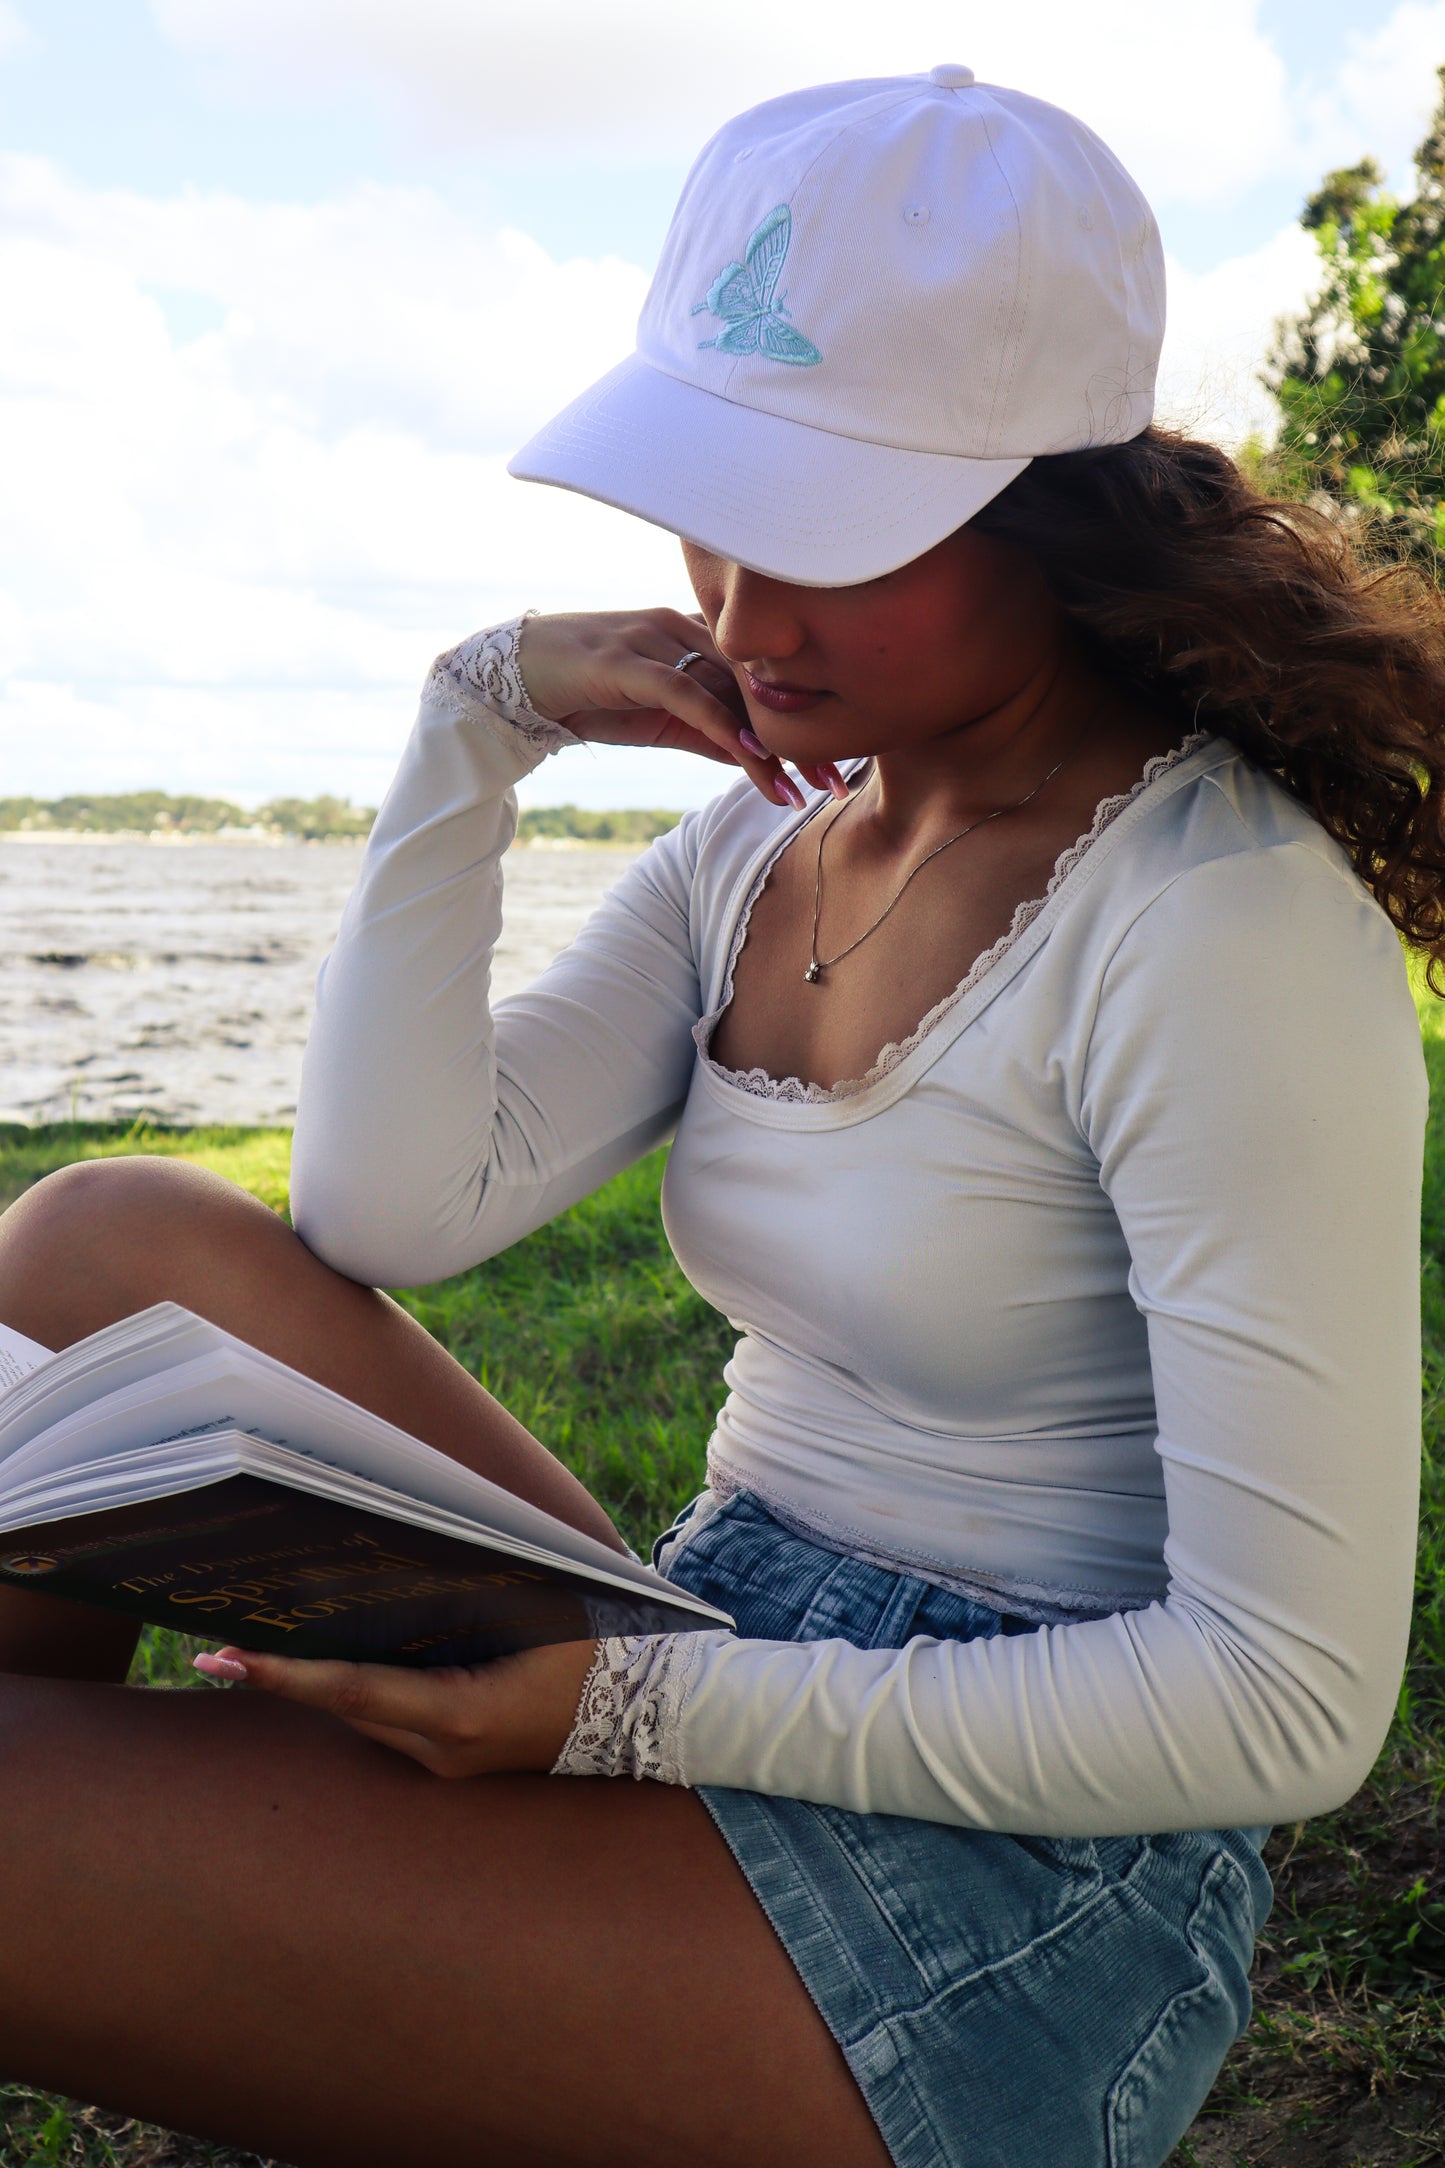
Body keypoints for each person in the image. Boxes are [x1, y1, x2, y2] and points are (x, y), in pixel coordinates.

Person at [0, 66, 1434, 2168]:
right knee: (102, 1246)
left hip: (1024, 1867)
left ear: (1055, 511)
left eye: (838, 542)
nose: (751, 623)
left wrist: (633, 1707)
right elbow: (387, 1206)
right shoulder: (762, 851)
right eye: (719, 516)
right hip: (727, 1635)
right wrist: (469, 724)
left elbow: (1286, 1704)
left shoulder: (1206, 925)